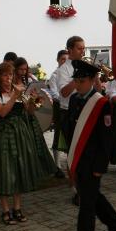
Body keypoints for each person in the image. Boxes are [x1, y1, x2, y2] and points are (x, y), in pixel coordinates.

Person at [64, 59, 116, 231]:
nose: (78, 84)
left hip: (92, 162)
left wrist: (100, 166)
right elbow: (71, 131)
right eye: (76, 80)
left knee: (86, 204)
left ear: (92, 80)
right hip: (78, 158)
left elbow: (106, 139)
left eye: (82, 81)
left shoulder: (101, 104)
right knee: (91, 196)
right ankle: (115, 224)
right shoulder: (74, 99)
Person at [0, 62, 57, 225]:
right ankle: (5, 210)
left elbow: (30, 112)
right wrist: (14, 96)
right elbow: (2, 112)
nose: (8, 78)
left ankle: (17, 208)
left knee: (19, 169)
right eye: (5, 75)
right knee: (4, 170)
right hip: (4, 134)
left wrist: (31, 101)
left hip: (20, 134)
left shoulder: (17, 91)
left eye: (10, 75)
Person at [56, 36, 87, 204]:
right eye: (80, 48)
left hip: (84, 110)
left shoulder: (84, 66)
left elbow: (97, 90)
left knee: (86, 150)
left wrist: (95, 76)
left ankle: (85, 185)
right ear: (70, 50)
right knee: (72, 152)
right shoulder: (63, 70)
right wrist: (77, 78)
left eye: (84, 48)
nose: (83, 51)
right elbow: (64, 93)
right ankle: (75, 189)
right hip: (69, 112)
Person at [47, 49, 70, 178]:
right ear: (58, 60)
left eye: (67, 60)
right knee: (58, 134)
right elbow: (55, 94)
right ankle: (57, 166)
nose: (65, 62)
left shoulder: (69, 73)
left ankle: (70, 161)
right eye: (62, 59)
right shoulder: (54, 75)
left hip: (69, 107)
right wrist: (65, 98)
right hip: (59, 108)